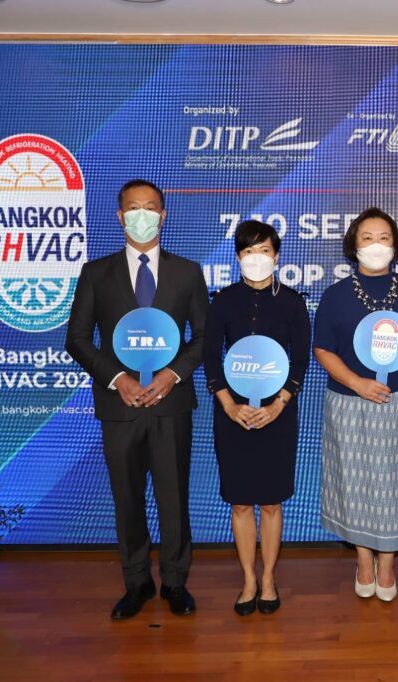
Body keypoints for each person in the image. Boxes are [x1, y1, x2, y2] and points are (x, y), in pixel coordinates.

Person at [66, 179, 209, 620]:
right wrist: (117, 380)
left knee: (173, 498)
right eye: (133, 207)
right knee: (126, 498)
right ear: (120, 215)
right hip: (120, 405)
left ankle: (176, 582)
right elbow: (77, 338)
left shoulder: (188, 272)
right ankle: (136, 583)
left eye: (150, 207)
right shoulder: (96, 273)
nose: (141, 214)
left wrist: (171, 374)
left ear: (163, 215)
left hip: (171, 403)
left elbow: (204, 337)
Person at [314, 207, 398, 603]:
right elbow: (323, 350)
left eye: (384, 237)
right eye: (367, 237)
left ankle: (387, 564)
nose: (376, 245)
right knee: (355, 483)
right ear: (353, 245)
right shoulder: (336, 295)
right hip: (349, 402)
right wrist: (357, 382)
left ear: (396, 245)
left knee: (394, 484)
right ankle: (363, 560)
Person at [203, 220, 310, 617]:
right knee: (240, 503)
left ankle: (268, 579)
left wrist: (279, 404)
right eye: (248, 251)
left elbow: (300, 360)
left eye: (264, 250)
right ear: (238, 257)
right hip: (233, 414)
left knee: (271, 503)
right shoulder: (223, 301)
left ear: (276, 256)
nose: (256, 257)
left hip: (277, 413)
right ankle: (248, 578)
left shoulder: (293, 302)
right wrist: (229, 405)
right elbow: (210, 357)